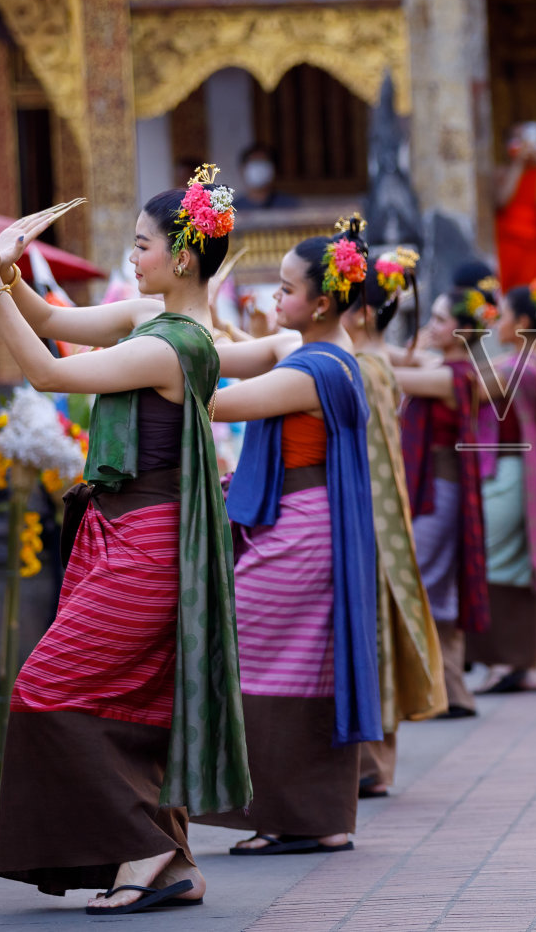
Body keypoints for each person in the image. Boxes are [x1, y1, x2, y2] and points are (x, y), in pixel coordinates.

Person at [0, 167, 249, 913]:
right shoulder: (148, 322)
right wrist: (10, 270)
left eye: (141, 245)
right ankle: (168, 855)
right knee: (121, 698)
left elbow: (46, 369)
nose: (132, 258)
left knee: (49, 686)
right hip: (124, 535)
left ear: (182, 257)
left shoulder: (171, 345)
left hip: (148, 544)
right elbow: (56, 322)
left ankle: (151, 844)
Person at [199, 225, 383, 854]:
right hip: (303, 524)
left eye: (285, 289)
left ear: (324, 302)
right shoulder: (308, 350)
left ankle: (300, 817)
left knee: (253, 652)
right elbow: (219, 358)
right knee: (291, 664)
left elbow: (218, 401)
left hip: (301, 532)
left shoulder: (317, 368)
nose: (275, 299)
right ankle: (306, 817)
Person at [344, 247, 449, 796]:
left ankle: (371, 766)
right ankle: (375, 764)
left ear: (361, 311)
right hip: (383, 511)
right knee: (379, 628)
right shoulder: (378, 361)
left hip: (369, 512)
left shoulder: (361, 366)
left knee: (373, 632)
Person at [397, 277, 497, 716]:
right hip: (436, 487)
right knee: (434, 588)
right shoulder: (445, 369)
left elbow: (384, 370)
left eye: (439, 318)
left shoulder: (453, 377)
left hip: (440, 488)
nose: (430, 325)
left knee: (423, 584)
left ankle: (446, 692)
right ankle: (452, 692)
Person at [468, 277, 536, 695]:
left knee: (497, 563)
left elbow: (466, 391)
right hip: (516, 472)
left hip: (508, 474)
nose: (496, 323)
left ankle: (506, 662)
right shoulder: (529, 359)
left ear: (522, 321)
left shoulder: (516, 366)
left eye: (502, 315)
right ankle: (520, 662)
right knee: (514, 566)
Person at [494, 122, 536, 289]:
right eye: (519, 140)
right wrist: (518, 164)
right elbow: (502, 201)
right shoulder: (501, 172)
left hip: (532, 247)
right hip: (507, 246)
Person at [235, 143, 301, 211]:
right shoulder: (233, 209)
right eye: (255, 162)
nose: (259, 169)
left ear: (274, 169)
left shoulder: (291, 206)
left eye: (263, 162)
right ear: (242, 170)